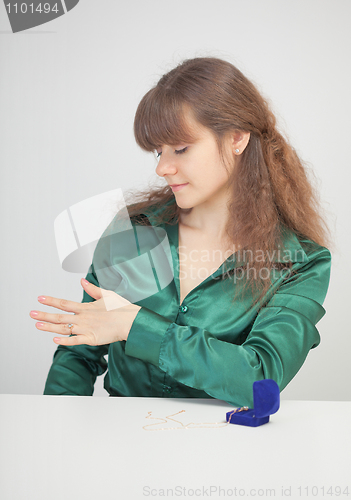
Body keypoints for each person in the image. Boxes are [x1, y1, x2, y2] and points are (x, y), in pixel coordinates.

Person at [33, 57, 331, 408]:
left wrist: (136, 327)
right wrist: (57, 428)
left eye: (182, 148)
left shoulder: (299, 261)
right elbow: (79, 354)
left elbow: (260, 380)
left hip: (226, 452)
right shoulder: (135, 230)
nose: (162, 167)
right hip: (121, 446)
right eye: (159, 151)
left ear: (237, 138)